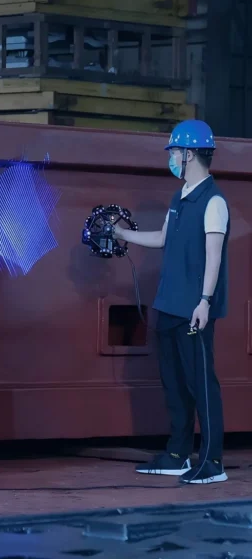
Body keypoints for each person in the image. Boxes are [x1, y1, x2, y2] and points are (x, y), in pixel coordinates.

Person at [111, 119, 229, 485]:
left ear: (190, 154)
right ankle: (177, 454)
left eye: (175, 151)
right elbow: (163, 238)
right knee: (174, 385)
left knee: (201, 385)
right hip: (168, 305)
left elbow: (214, 257)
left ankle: (212, 462)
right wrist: (121, 233)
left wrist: (205, 302)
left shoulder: (214, 202)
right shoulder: (179, 198)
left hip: (193, 309)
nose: (172, 157)